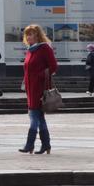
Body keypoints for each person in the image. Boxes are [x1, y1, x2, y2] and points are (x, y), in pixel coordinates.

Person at [18, 23, 58, 155]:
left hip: (40, 88)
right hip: (30, 88)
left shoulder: (44, 48)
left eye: (31, 34)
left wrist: (39, 76)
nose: (28, 37)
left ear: (38, 35)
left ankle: (29, 144)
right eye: (27, 34)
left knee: (34, 116)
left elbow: (53, 66)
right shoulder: (30, 50)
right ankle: (46, 145)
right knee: (39, 117)